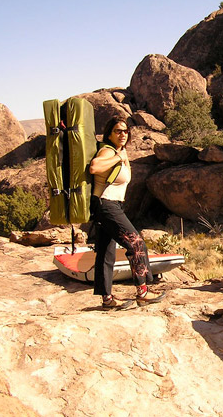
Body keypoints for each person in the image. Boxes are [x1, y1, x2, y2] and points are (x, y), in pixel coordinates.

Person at [90, 116, 165, 308]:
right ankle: (143, 292)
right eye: (117, 131)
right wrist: (118, 157)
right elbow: (94, 167)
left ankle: (107, 300)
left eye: (125, 131)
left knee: (106, 253)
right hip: (106, 204)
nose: (123, 134)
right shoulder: (108, 151)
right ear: (109, 134)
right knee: (136, 244)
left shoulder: (119, 150)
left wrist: (121, 155)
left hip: (108, 205)